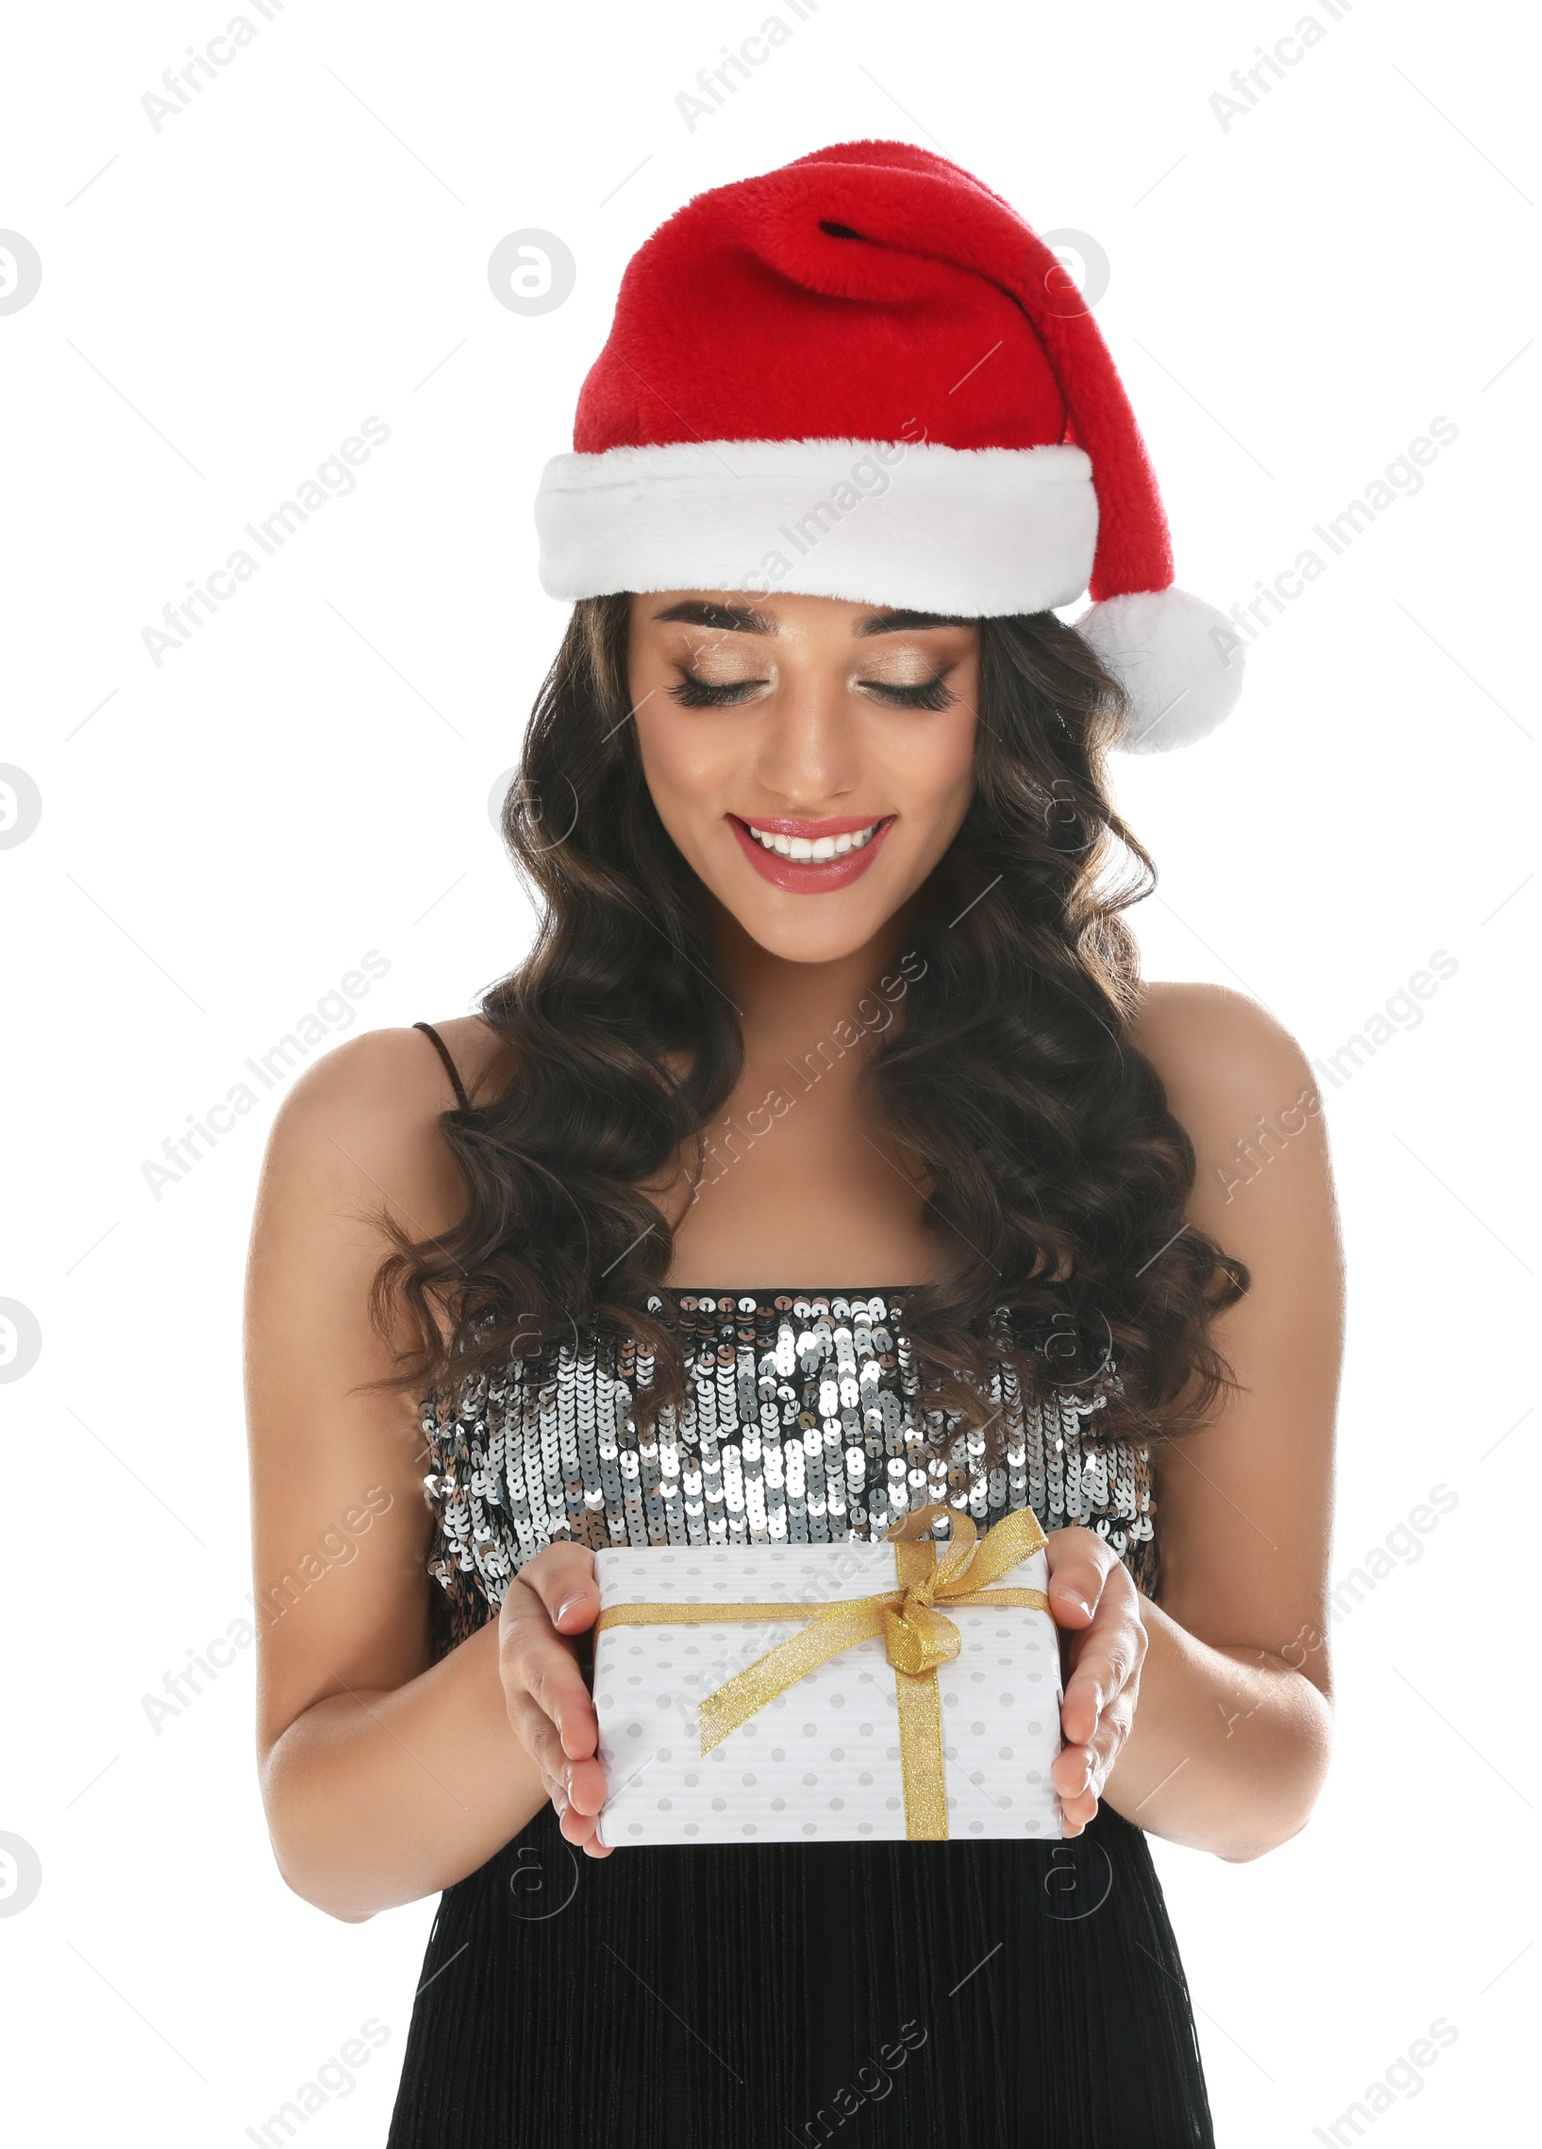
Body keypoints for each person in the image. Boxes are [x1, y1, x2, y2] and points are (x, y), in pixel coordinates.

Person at [246, 140, 1341, 2148]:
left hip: (1050, 2083)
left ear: (999, 690)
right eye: (720, 669)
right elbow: (321, 1829)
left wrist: (1125, 1671)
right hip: (553, 2086)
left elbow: (1272, 1760)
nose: (807, 766)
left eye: (900, 675)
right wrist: (501, 1697)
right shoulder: (398, 1130)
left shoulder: (1199, 1097)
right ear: (616, 677)